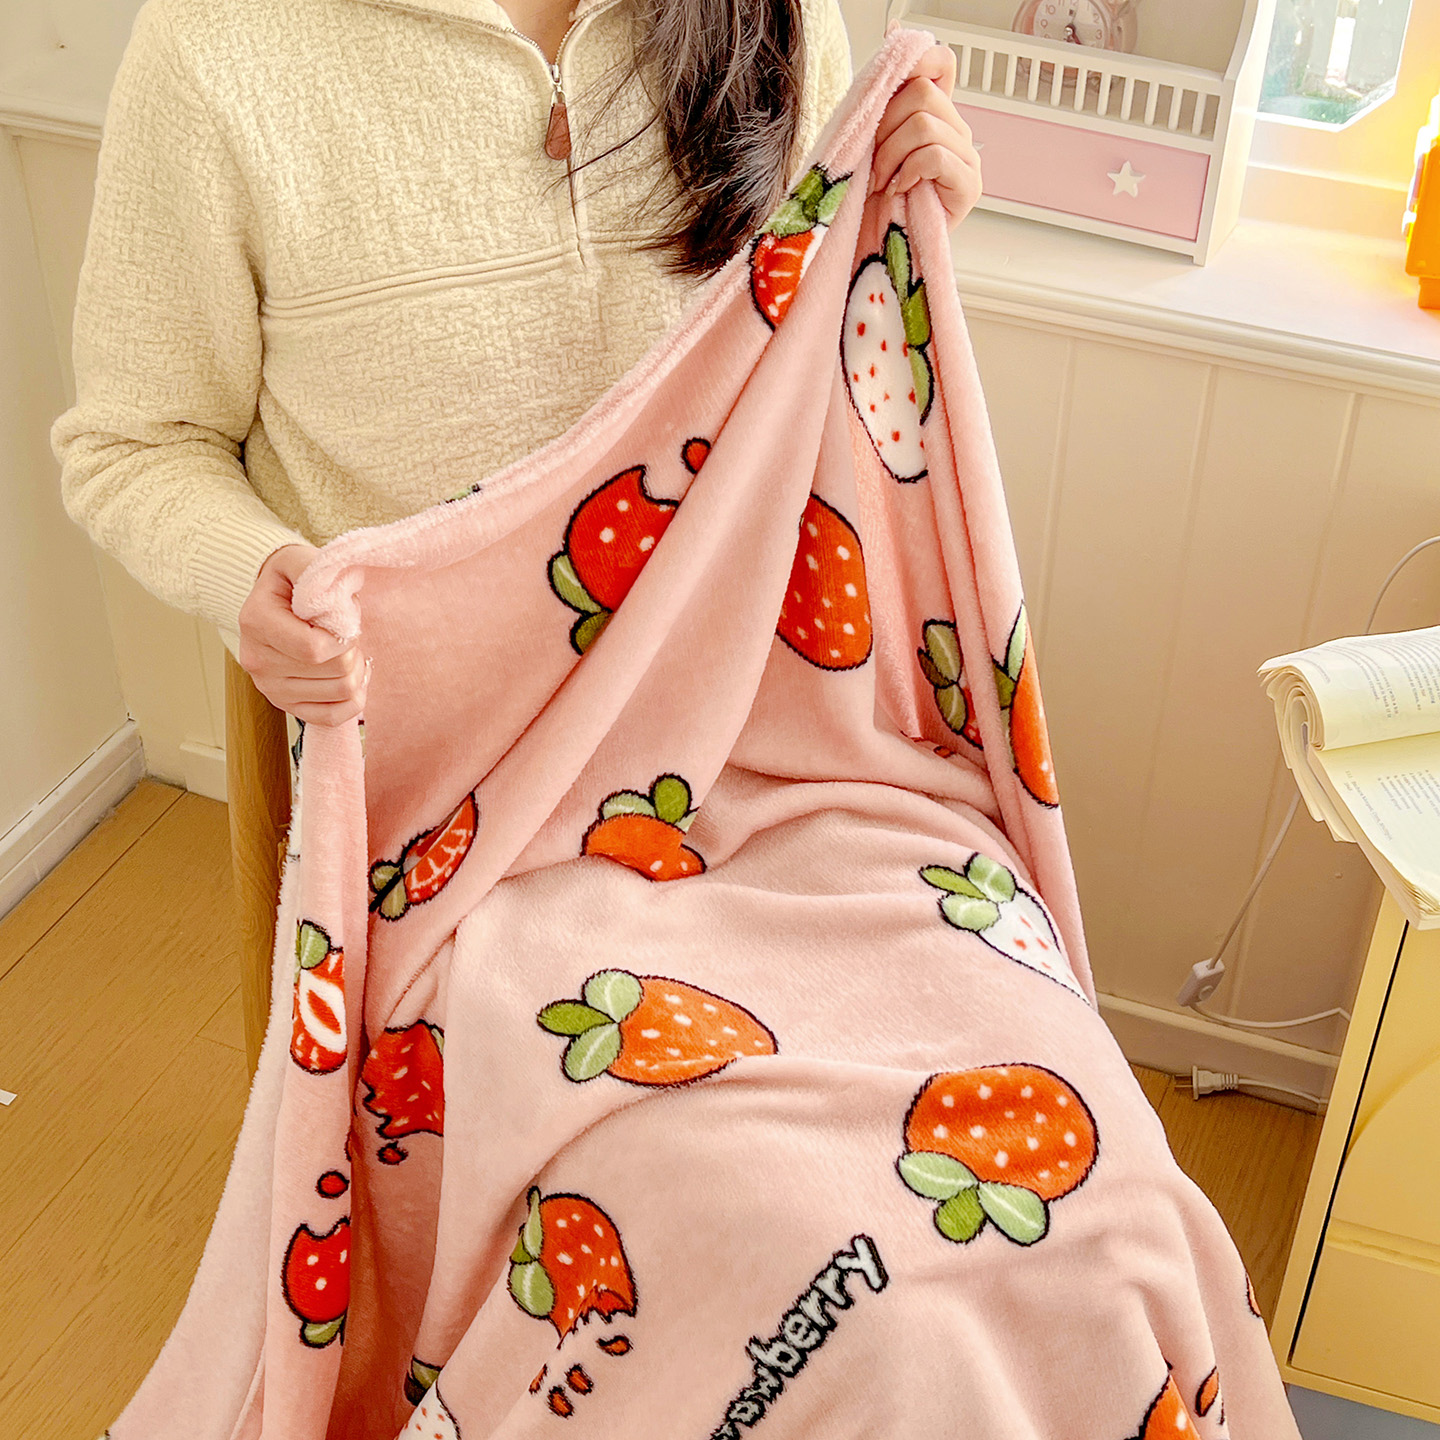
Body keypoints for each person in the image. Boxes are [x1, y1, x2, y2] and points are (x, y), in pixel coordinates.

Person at [51, 0, 979, 727]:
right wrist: (252, 570)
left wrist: (904, 217)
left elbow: (812, 371)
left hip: (760, 702)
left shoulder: (778, 12)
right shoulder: (211, 47)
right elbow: (137, 445)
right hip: (437, 761)